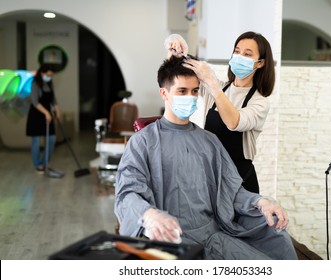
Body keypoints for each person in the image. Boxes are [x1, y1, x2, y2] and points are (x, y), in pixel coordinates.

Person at [114, 56, 298, 260]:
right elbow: (128, 192)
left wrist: (261, 202)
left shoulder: (209, 141)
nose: (190, 97)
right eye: (182, 91)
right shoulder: (143, 142)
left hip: (213, 236)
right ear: (164, 93)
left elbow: (231, 191)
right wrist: (149, 215)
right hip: (171, 239)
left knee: (274, 239)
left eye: (194, 91)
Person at [165, 32, 275, 194]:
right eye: (237, 51)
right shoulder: (219, 88)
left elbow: (234, 122)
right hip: (211, 176)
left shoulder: (259, 102)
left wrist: (212, 85)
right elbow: (176, 75)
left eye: (247, 54)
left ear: (260, 63)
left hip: (240, 182)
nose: (239, 56)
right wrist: (176, 50)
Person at [26, 64, 62, 174]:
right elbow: (35, 102)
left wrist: (57, 110)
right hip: (36, 114)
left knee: (51, 139)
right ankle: (38, 165)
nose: (49, 77)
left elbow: (53, 99)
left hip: (48, 115)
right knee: (36, 142)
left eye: (51, 75)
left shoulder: (49, 83)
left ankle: (45, 162)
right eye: (47, 74)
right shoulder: (35, 83)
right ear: (42, 73)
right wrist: (46, 112)